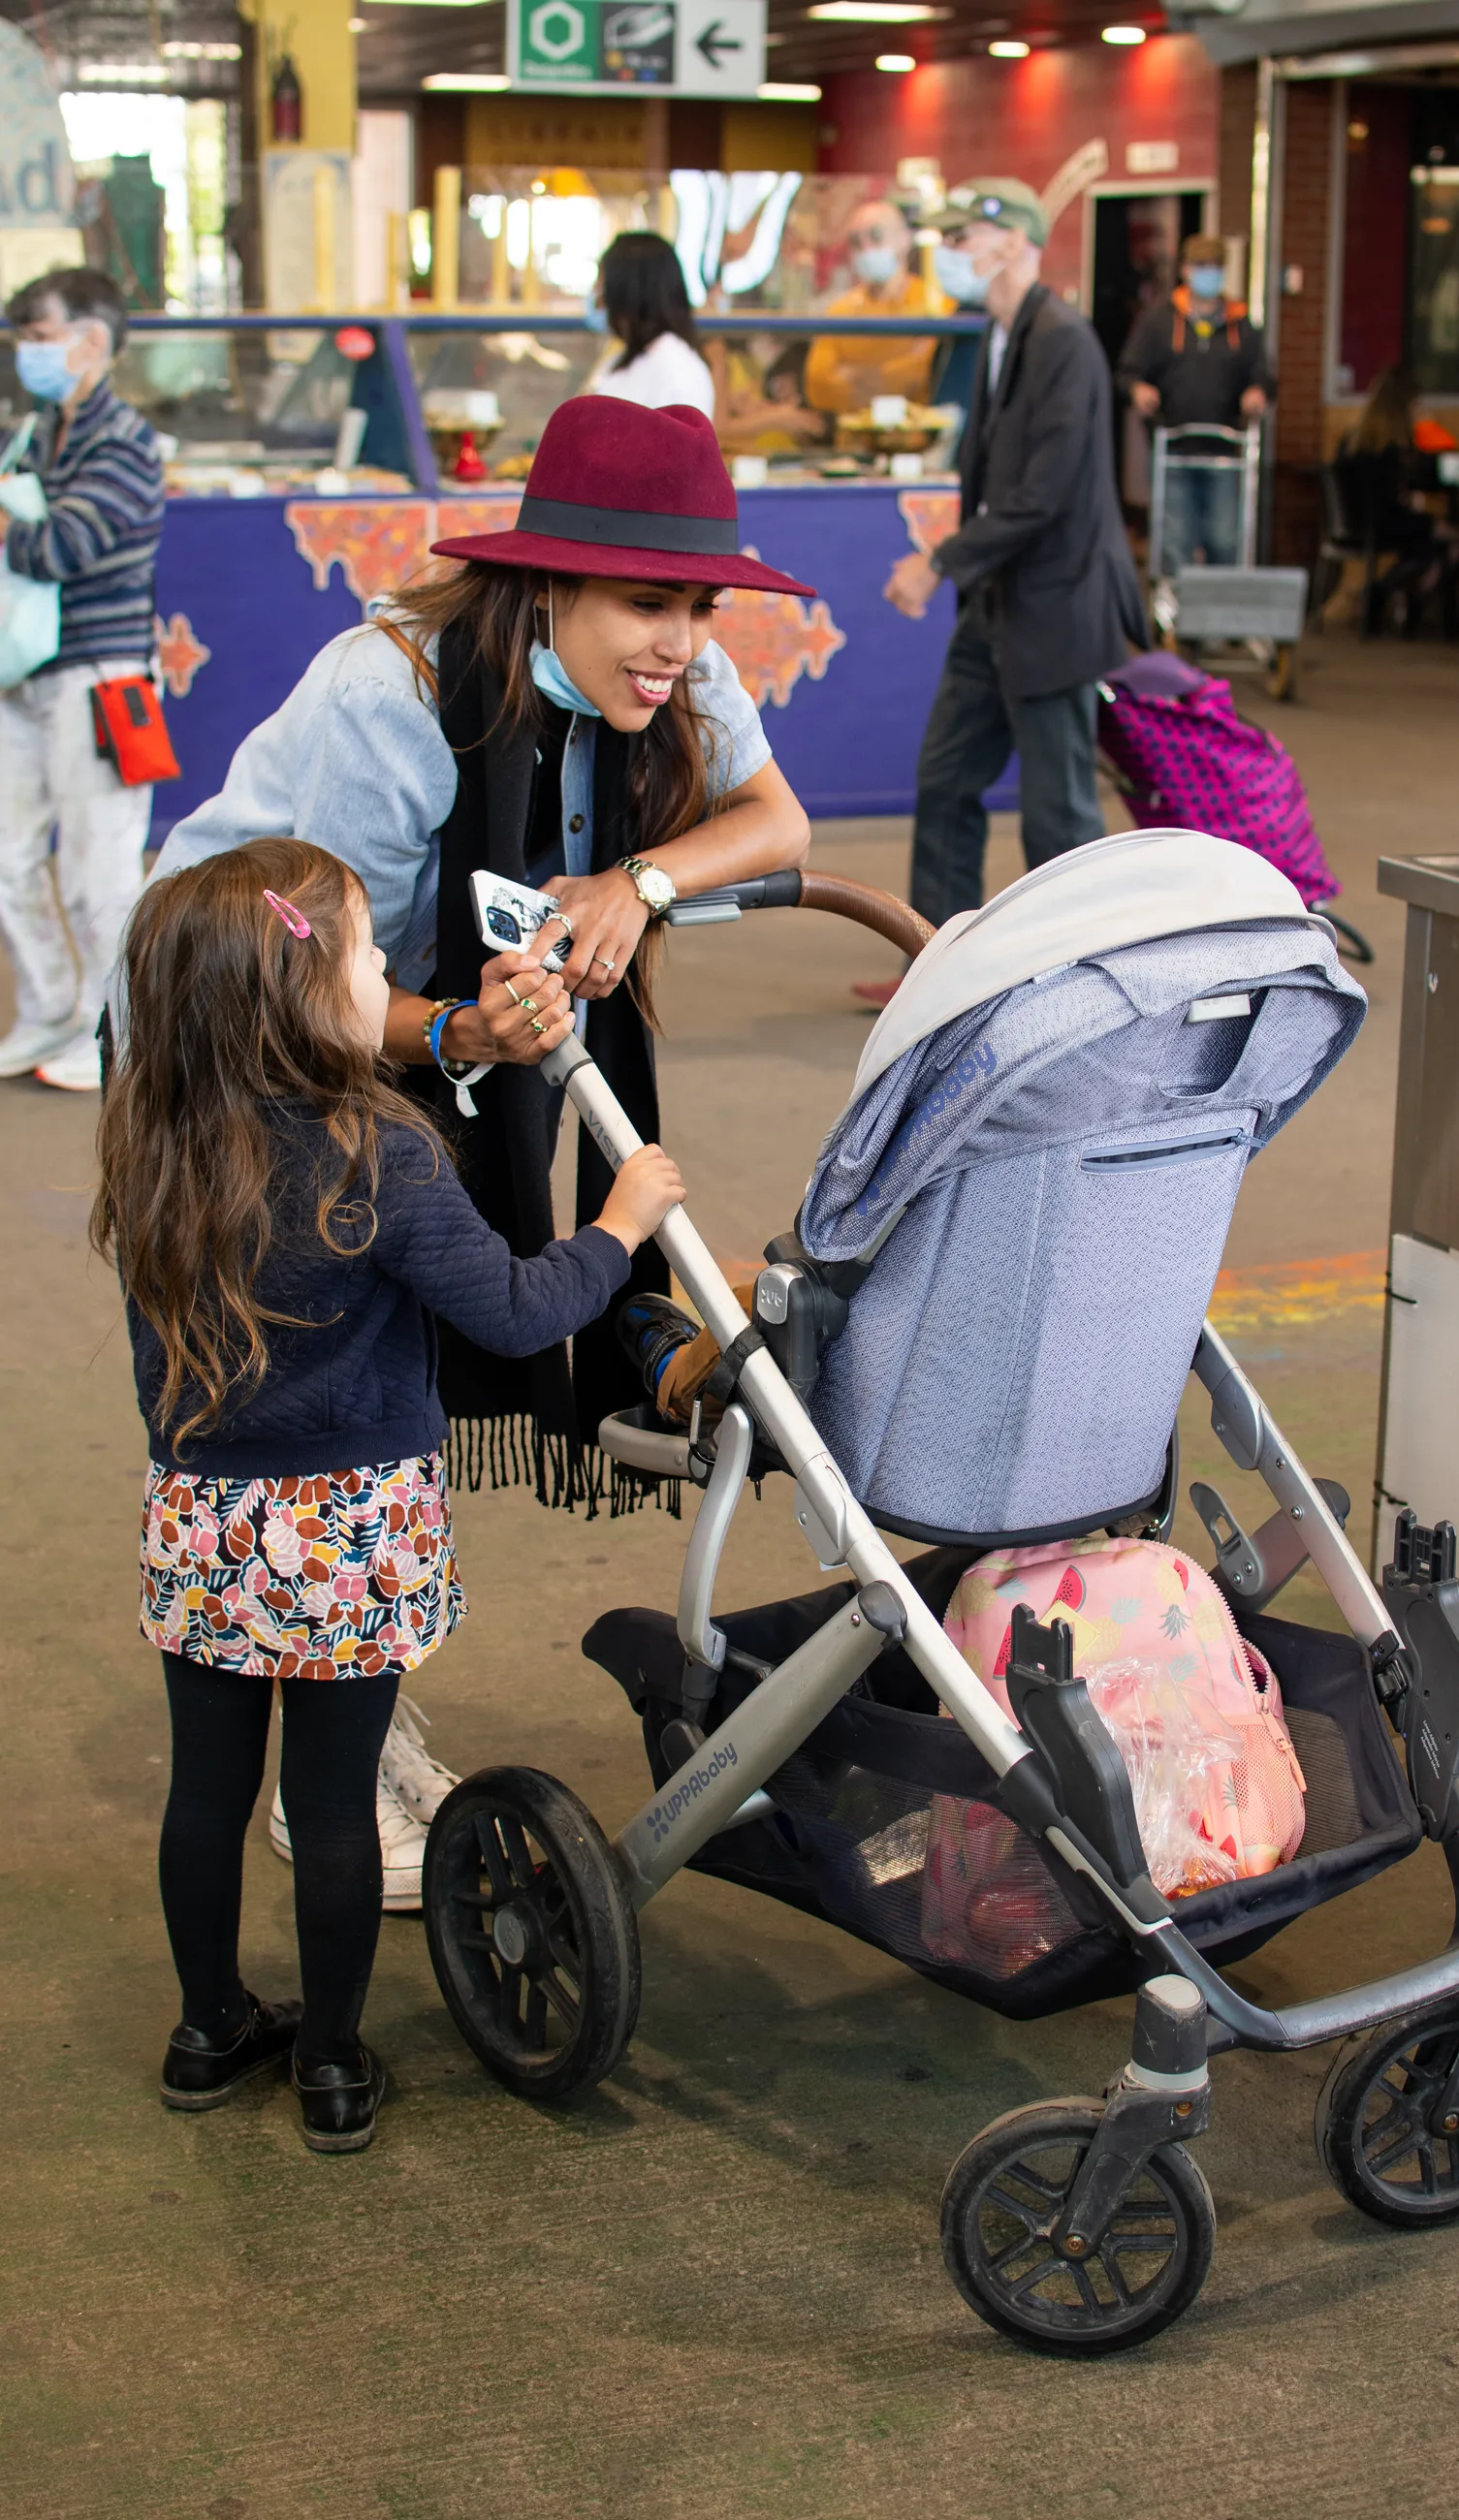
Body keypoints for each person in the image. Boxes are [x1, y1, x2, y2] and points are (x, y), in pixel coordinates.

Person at [146, 394, 811, 1899]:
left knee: (401, 1400)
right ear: (550, 582)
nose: (681, 642)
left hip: (418, 1026)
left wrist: (636, 880)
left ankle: (350, 1713)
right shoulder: (386, 704)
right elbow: (308, 987)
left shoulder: (668, 671)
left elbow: (774, 820)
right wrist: (455, 1034)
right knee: (334, 1413)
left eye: (701, 607)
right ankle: (330, 1764)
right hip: (240, 1037)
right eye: (646, 604)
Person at [97, 837, 682, 2151]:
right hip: (348, 1531)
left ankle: (206, 2032)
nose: (385, 977)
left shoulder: (155, 1146)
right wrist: (620, 1224)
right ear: (302, 996)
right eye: (366, 954)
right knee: (329, 1804)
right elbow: (518, 1311)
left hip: (203, 1520)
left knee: (206, 1795)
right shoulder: (380, 1153)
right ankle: (332, 2063)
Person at [880, 177, 1146, 951]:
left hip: (1055, 608)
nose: (947, 253)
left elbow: (1043, 495)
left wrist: (939, 561)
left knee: (1057, 814)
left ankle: (1082, 966)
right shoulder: (997, 337)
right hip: (997, 605)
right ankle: (936, 959)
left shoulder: (1063, 341)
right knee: (946, 778)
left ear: (1014, 243)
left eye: (960, 238)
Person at [0, 265, 165, 1091]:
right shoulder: (33, 434)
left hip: (101, 680)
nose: (26, 353)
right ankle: (48, 1010)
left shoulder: (124, 440)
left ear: (92, 341)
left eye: (40, 336)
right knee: (10, 855)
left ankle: (117, 1030)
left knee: (98, 868)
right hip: (20, 673)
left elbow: (64, 545)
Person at [1116, 236, 1271, 575]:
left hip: (1226, 452)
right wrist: (1139, 389)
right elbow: (1129, 371)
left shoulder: (1241, 325)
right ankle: (1176, 606)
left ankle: (1220, 604)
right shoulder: (1159, 322)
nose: (1209, 274)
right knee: (1175, 541)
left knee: (1225, 540)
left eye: (1215, 267)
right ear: (1186, 271)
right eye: (1202, 267)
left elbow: (1262, 374)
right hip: (1173, 448)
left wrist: (1257, 392)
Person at [1336, 366, 1457, 632]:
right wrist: (1426, 426)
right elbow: (1405, 495)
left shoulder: (1352, 442)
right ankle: (1392, 593)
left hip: (1354, 526)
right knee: (1450, 541)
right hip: (1387, 524)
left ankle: (1395, 596)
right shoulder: (1393, 450)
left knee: (1426, 545)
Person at [805, 197, 948, 419]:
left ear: (905, 239)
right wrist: (889, 377)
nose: (866, 248)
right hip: (852, 436)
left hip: (914, 434)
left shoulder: (935, 304)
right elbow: (818, 387)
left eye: (876, 236)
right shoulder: (839, 311)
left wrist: (853, 375)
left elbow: (923, 374)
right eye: (856, 242)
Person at [584, 231, 714, 419]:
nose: (596, 295)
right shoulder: (622, 360)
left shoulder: (676, 369)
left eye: (601, 283)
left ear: (627, 289)